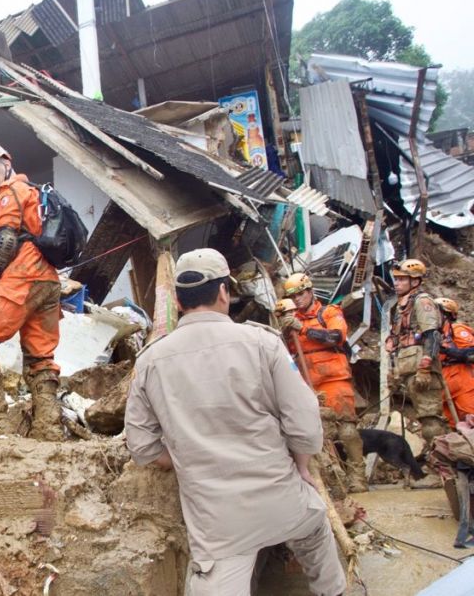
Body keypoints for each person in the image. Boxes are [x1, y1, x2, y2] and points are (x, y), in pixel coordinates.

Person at [125, 249, 345, 596]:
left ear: (179, 302)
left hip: (217, 523)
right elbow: (303, 420)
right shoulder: (263, 343)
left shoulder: (151, 360)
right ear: (224, 291)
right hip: (281, 498)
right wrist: (301, 465)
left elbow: (140, 446)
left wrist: (184, 462)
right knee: (316, 527)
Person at [0, 141, 63, 441]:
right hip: (48, 280)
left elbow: (7, 244)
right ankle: (49, 427)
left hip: (24, 277)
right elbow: (23, 240)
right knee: (39, 358)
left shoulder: (9, 192)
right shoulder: (32, 191)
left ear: (7, 161)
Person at [279, 273, 366, 492]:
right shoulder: (290, 321)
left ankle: (357, 477)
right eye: (293, 296)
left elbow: (336, 337)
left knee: (346, 429)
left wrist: (303, 328)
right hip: (307, 384)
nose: (298, 299)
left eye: (301, 294)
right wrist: (285, 331)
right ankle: (335, 480)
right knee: (319, 434)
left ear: (310, 291)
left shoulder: (328, 312)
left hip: (333, 379)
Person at [386, 259, 447, 445]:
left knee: (430, 419)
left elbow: (432, 334)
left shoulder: (422, 301)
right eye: (396, 279)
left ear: (415, 281)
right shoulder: (401, 307)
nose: (397, 283)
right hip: (407, 368)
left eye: (402, 279)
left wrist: (426, 366)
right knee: (423, 419)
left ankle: (444, 463)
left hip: (421, 367)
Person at [435, 297, 474, 427]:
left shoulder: (457, 330)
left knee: (471, 420)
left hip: (463, 382)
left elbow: (471, 352)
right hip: (445, 385)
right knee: (454, 427)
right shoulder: (434, 335)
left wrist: (450, 352)